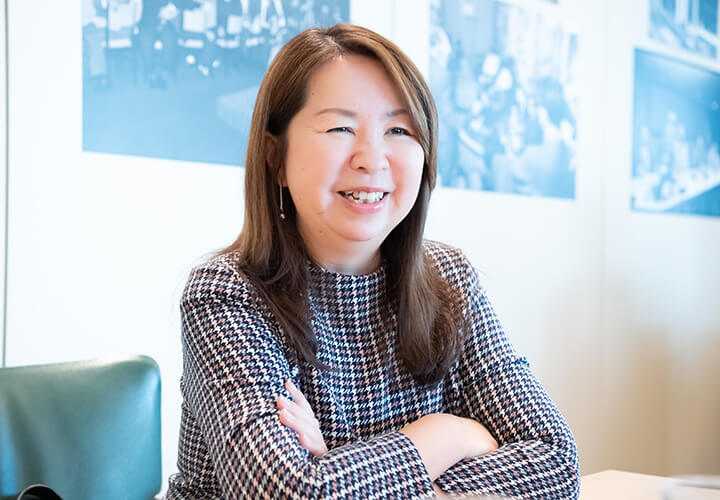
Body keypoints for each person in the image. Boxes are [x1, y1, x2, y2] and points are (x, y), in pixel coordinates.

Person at [165, 23, 579, 499]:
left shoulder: (450, 280)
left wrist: (333, 468)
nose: (372, 158)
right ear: (276, 157)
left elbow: (556, 463)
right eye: (341, 128)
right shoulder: (227, 295)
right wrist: (448, 435)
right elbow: (284, 494)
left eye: (398, 130)